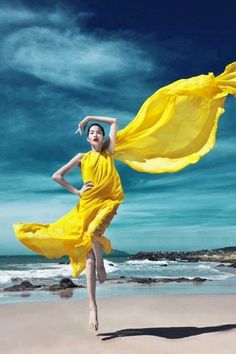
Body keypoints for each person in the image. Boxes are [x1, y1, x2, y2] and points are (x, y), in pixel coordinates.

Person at [13, 61, 236, 332]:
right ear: (87, 140)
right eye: (91, 132)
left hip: (108, 202)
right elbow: (56, 176)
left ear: (103, 138)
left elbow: (116, 121)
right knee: (90, 255)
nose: (95, 134)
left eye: (98, 132)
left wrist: (88, 118)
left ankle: (100, 269)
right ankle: (93, 305)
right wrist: (76, 190)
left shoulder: (109, 152)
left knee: (94, 234)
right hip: (85, 204)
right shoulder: (81, 157)